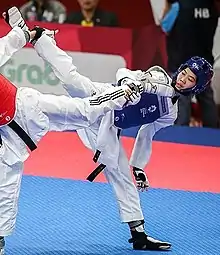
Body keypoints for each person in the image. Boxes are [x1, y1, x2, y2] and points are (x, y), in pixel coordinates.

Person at [28, 27, 213, 252]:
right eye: (184, 72)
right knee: (70, 83)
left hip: (109, 129)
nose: (183, 79)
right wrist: (128, 84)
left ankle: (139, 235)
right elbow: (123, 72)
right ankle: (40, 40)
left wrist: (138, 167)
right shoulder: (158, 77)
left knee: (122, 177)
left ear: (197, 86)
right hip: (102, 99)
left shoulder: (170, 114)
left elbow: (146, 133)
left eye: (190, 79)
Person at [0, 7, 166, 255]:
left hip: (28, 107)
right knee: (6, 184)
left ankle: (118, 96)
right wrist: (24, 33)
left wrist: (23, 34)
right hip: (10, 136)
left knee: (82, 110)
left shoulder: (164, 101)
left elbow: (9, 44)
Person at [161, 0, 218, 128]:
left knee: (181, 99)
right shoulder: (211, 7)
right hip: (204, 63)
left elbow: (165, 27)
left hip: (181, 63)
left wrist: (167, 6)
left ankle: (180, 136)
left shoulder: (178, 6)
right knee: (206, 98)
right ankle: (214, 135)